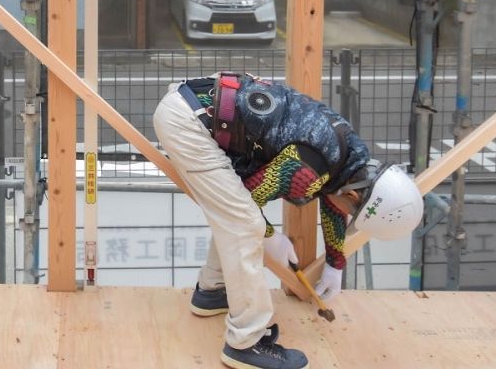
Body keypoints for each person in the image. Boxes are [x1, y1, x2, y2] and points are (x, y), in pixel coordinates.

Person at [153, 72, 423, 369]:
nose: (347, 216)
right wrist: (270, 236)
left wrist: (335, 263)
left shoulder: (349, 156)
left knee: (238, 216)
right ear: (357, 197)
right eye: (354, 213)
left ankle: (213, 292)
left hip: (194, 107)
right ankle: (245, 343)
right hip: (188, 124)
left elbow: (333, 198)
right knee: (245, 223)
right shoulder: (313, 163)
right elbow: (250, 197)